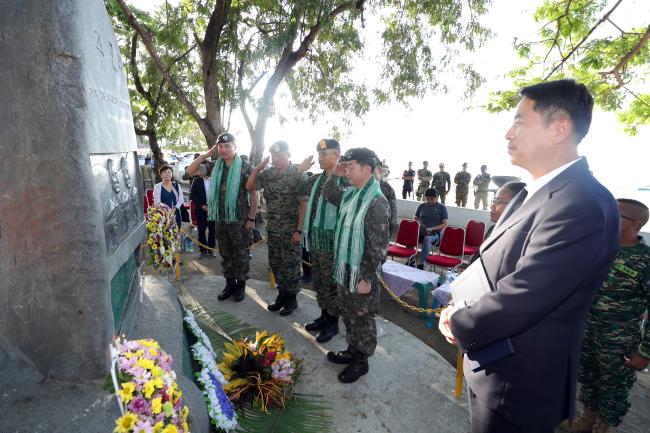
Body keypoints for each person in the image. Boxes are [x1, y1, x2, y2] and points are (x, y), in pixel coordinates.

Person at [439, 79, 620, 433]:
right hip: (493, 365)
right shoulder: (532, 193)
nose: (509, 133)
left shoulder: (581, 203)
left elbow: (524, 294)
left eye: (520, 121)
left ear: (559, 129)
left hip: (518, 386)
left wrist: (458, 321)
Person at [562, 199, 650, 433]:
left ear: (636, 223)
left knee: (613, 386)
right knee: (587, 378)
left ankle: (604, 426)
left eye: (616, 214)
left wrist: (645, 352)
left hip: (618, 337)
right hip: (586, 328)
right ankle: (587, 419)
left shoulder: (645, 259)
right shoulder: (599, 247)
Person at [322, 148, 389, 384]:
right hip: (346, 268)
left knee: (362, 319)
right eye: (345, 165)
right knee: (349, 314)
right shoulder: (351, 195)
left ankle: (361, 361)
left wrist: (366, 278)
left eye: (350, 166)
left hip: (361, 275)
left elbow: (378, 248)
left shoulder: (376, 202)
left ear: (367, 169)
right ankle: (352, 351)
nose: (346, 169)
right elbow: (328, 194)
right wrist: (337, 174)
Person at [186, 132, 257, 302]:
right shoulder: (214, 166)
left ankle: (240, 286)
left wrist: (252, 218)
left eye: (227, 146)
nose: (224, 149)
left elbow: (254, 194)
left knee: (241, 253)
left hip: (239, 219)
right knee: (225, 252)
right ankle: (229, 284)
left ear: (235, 147)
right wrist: (204, 156)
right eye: (221, 147)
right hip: (220, 218)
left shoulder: (246, 167)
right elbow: (190, 171)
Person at [246, 140, 308, 316]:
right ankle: (281, 296)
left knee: (291, 265)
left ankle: (291, 300)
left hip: (291, 230)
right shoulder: (269, 174)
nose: (275, 159)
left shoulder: (298, 175)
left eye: (279, 156)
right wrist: (258, 169)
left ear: (289, 155)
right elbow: (250, 186)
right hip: (273, 229)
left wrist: (299, 230)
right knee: (276, 263)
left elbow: (304, 205)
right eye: (273, 156)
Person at [301, 139, 342, 343]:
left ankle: (333, 322)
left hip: (334, 243)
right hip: (317, 240)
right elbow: (296, 187)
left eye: (325, 155)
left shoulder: (345, 180)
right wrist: (300, 169)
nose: (321, 158)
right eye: (320, 155)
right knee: (319, 281)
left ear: (337, 156)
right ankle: (324, 316)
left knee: (332, 283)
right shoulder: (316, 180)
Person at [469, 181, 526, 264]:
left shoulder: (519, 241)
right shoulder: (493, 229)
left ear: (518, 205)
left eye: (498, 202)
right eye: (494, 201)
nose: (491, 206)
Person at [414, 188, 448, 269]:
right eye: (427, 198)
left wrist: (432, 228)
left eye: (432, 198)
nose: (429, 200)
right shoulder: (421, 206)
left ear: (437, 197)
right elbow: (415, 219)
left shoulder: (442, 208)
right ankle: (411, 258)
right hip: (422, 231)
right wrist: (417, 225)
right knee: (411, 234)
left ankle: (421, 263)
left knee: (427, 238)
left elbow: (445, 224)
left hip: (435, 234)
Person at [189, 161, 216, 258]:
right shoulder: (197, 180)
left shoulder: (215, 180)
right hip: (201, 209)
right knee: (201, 230)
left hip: (213, 209)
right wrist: (202, 206)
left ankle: (211, 250)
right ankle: (203, 250)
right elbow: (192, 195)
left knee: (213, 231)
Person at [376, 160, 398, 237]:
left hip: (382, 229)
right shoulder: (363, 186)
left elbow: (393, 213)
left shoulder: (388, 189)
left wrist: (388, 232)